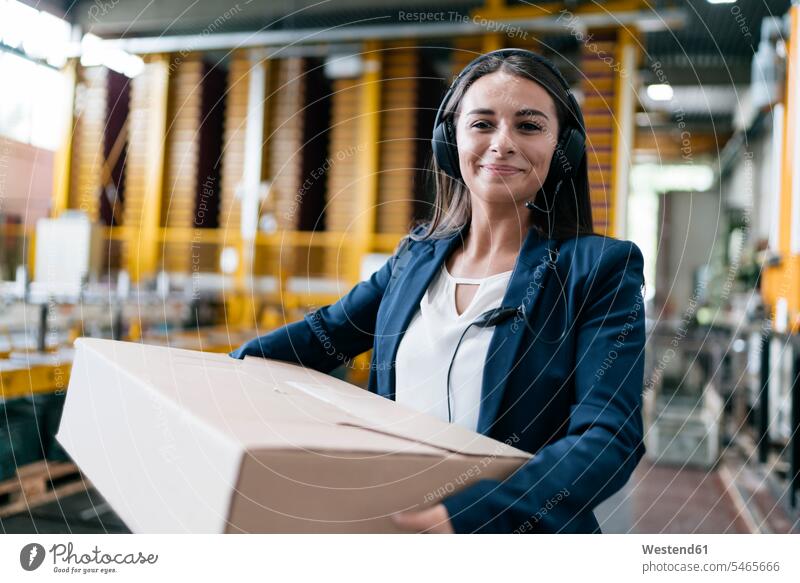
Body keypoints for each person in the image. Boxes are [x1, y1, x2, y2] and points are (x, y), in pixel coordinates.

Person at [230, 48, 646, 534]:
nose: (502, 143)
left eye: (529, 126)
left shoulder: (599, 271)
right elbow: (325, 334)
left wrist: (465, 518)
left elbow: (607, 436)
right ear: (450, 141)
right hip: (395, 528)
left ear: (563, 147)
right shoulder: (415, 259)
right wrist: (221, 372)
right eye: (482, 124)